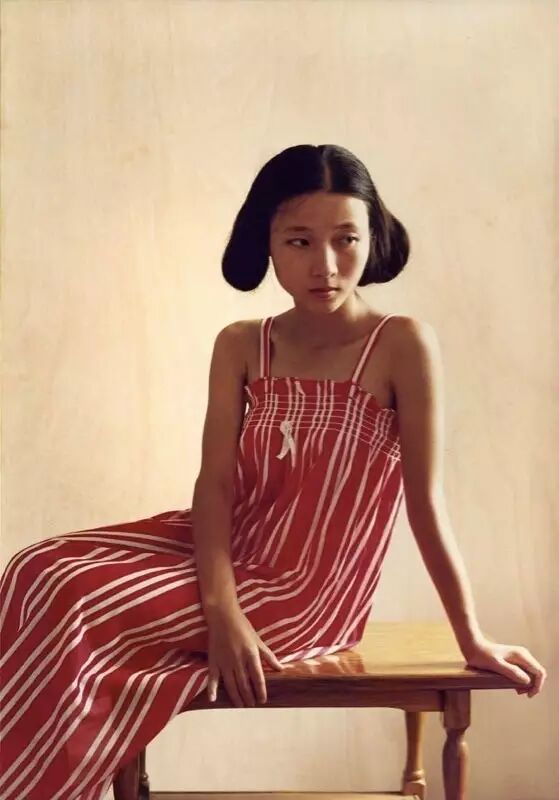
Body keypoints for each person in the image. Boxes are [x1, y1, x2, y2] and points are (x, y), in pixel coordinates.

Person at [0, 143, 546, 800]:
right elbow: (215, 485)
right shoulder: (241, 343)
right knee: (35, 567)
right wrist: (221, 611)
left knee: (76, 596)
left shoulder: (401, 344)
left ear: (372, 238)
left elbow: (425, 504)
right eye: (299, 241)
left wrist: (472, 637)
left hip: (305, 590)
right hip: (226, 551)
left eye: (346, 239)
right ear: (266, 242)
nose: (325, 265)